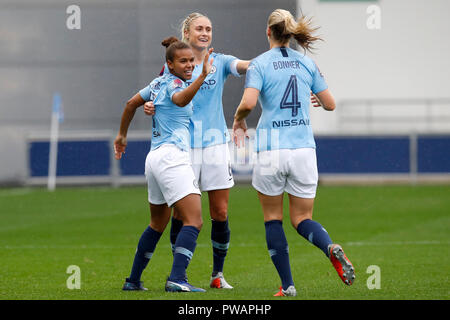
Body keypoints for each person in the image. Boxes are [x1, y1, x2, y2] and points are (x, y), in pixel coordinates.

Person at [232, 9, 355, 297]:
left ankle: (287, 285)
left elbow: (249, 103)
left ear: (268, 32)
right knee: (301, 219)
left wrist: (238, 119)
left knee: (273, 218)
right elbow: (330, 104)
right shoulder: (306, 63)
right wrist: (313, 96)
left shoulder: (260, 64)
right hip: (303, 150)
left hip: (271, 151)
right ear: (290, 33)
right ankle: (329, 246)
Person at [144, 12, 250, 289]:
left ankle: (217, 275)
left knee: (221, 212)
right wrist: (149, 107)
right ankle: (181, 274)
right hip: (183, 147)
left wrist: (278, 61)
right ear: (187, 33)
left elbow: (249, 65)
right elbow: (157, 97)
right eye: (199, 29)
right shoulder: (173, 66)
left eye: (209, 29)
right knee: (181, 215)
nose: (205, 33)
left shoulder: (222, 61)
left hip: (215, 145)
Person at [115, 36, 214, 292]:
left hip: (155, 158)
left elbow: (130, 104)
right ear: (170, 64)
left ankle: (133, 281)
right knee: (194, 220)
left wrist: (122, 135)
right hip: (172, 157)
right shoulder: (174, 85)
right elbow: (180, 100)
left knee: (157, 224)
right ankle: (177, 279)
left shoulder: (157, 83)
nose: (190, 65)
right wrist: (203, 76)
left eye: (191, 60)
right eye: (183, 61)